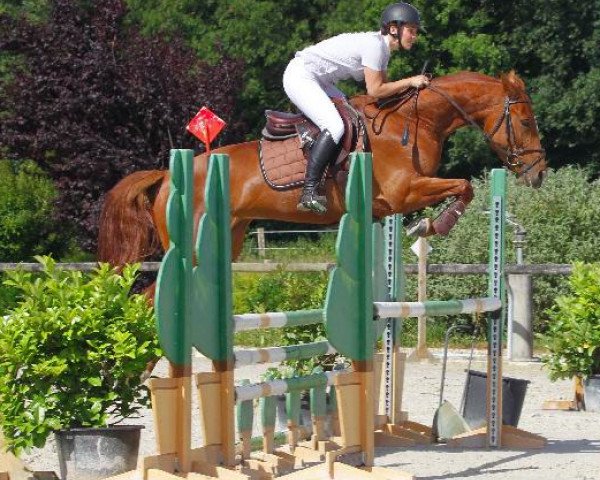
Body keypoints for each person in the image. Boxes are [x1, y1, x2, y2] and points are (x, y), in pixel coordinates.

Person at [283, 2, 429, 214]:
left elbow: (385, 92)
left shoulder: (382, 49)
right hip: (301, 76)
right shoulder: (375, 47)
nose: (414, 36)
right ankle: (309, 191)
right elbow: (376, 90)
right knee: (335, 126)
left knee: (351, 112)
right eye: (411, 31)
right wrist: (410, 81)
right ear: (394, 29)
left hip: (319, 80)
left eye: (415, 32)